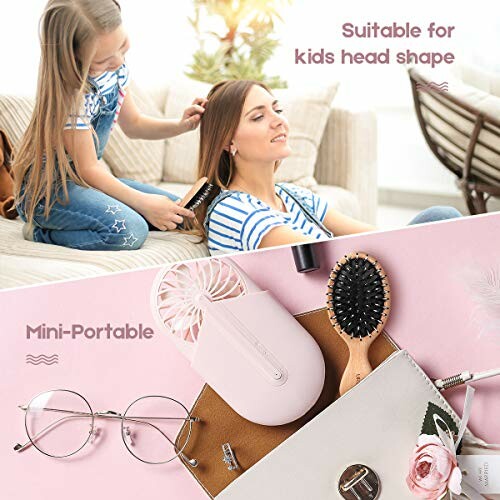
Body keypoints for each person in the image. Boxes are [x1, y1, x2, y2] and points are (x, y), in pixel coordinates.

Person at [13, 0, 206, 250]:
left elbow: (134, 125)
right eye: (103, 60)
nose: (117, 61)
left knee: (184, 212)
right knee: (130, 231)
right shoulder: (71, 97)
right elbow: (89, 169)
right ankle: (39, 233)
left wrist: (181, 125)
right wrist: (143, 203)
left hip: (83, 184)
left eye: (122, 47)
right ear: (72, 59)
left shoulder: (115, 71)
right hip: (48, 195)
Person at [190, 79, 461, 255]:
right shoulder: (232, 210)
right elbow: (322, 255)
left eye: (277, 110)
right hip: (335, 320)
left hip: (357, 290)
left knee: (439, 221)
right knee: (441, 223)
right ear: (228, 141)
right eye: (258, 117)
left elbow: (380, 238)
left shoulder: (293, 196)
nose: (278, 121)